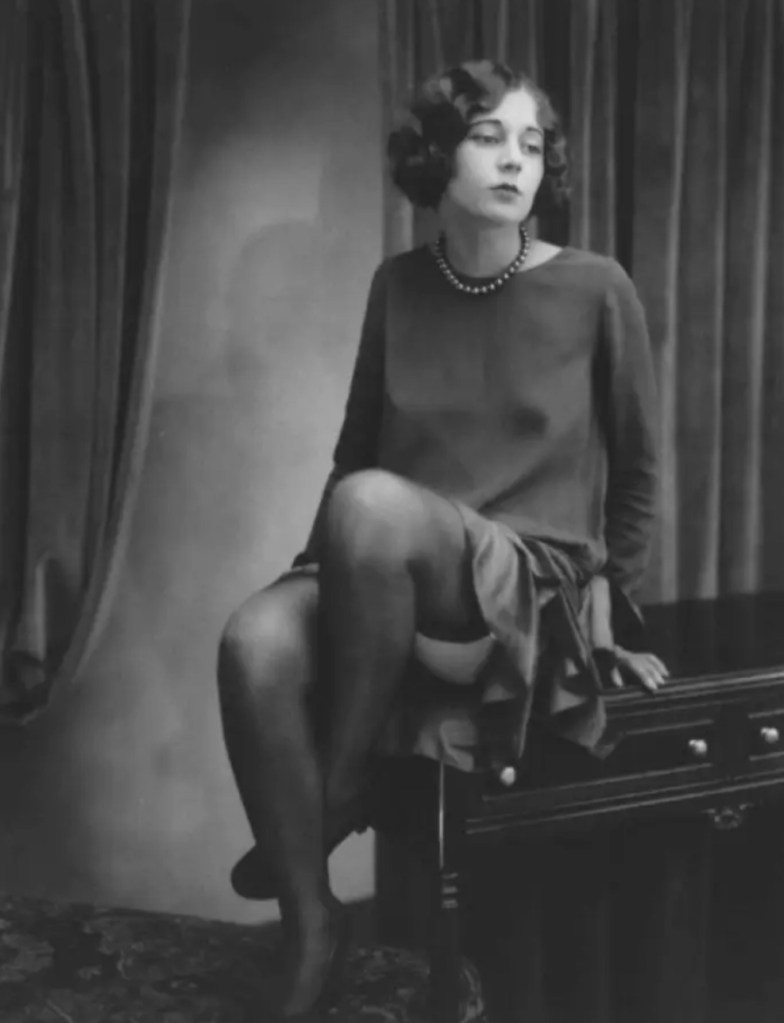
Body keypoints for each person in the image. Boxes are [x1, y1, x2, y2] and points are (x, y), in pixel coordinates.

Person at [216, 59, 668, 1018]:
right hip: (384, 558)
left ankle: (342, 791)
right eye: (487, 137)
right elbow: (354, 456)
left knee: (372, 507)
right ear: (436, 156)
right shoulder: (398, 286)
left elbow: (637, 472)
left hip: (516, 583)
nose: (515, 161)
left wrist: (611, 608)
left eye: (531, 145)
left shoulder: (597, 287)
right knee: (253, 640)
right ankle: (312, 920)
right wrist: (311, 582)